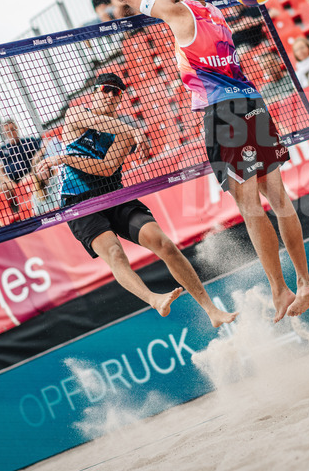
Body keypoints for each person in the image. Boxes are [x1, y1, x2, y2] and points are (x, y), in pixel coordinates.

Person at [65, 0, 309, 322]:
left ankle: (280, 289)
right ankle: (303, 282)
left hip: (223, 113)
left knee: (251, 209)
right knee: (280, 199)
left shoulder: (178, 12)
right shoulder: (214, 12)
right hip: (252, 103)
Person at [34, 72, 238, 327]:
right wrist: (134, 131)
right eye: (106, 90)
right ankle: (154, 299)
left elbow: (106, 168)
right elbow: (109, 129)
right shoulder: (76, 114)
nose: (110, 96)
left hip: (114, 193)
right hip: (79, 202)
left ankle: (211, 310)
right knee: (114, 254)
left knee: (164, 243)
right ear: (95, 92)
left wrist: (65, 158)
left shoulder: (124, 131)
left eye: (116, 93)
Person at [0, 119, 46, 203]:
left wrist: (36, 158)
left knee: (30, 179)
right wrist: (11, 184)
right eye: (7, 130)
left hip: (28, 175)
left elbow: (44, 144)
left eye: (12, 129)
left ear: (16, 128)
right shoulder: (1, 150)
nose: (11, 132)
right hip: (11, 181)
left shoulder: (28, 142)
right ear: (4, 133)